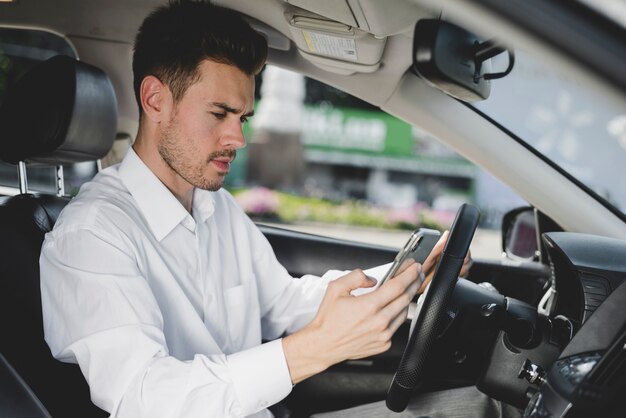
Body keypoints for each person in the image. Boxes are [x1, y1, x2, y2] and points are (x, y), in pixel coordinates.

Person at [40, 2, 516, 418]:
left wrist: (402, 279)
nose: (239, 139)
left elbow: (284, 304)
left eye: (242, 117)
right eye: (220, 113)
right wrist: (312, 350)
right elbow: (143, 399)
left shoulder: (214, 206)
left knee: (484, 408)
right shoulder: (92, 235)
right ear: (155, 99)